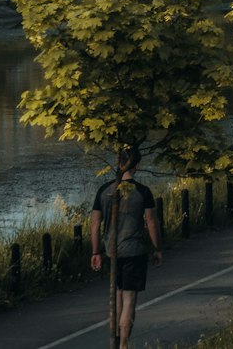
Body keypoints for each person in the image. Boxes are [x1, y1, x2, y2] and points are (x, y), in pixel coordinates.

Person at [90, 144, 163, 349]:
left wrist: (95, 251)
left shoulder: (105, 191)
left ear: (118, 163)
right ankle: (124, 344)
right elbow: (151, 222)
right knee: (129, 298)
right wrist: (157, 248)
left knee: (117, 295)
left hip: (111, 251)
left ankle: (114, 340)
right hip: (135, 251)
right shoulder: (143, 192)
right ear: (137, 165)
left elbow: (95, 223)